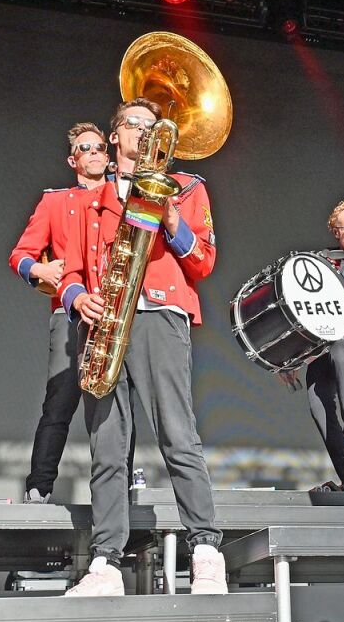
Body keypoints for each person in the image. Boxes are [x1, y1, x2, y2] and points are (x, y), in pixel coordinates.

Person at [58, 97, 227, 596]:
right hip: (108, 321)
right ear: (115, 137)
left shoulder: (188, 188)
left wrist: (172, 219)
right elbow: (69, 272)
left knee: (178, 432)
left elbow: (205, 262)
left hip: (158, 313)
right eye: (136, 124)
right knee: (108, 447)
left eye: (152, 126)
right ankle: (106, 561)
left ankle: (205, 547)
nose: (146, 131)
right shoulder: (86, 201)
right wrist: (78, 297)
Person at [9, 123, 110, 503]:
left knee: (118, 407)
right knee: (60, 400)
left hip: (115, 312)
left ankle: (116, 494)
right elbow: (19, 255)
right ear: (73, 160)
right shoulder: (55, 201)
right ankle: (39, 488)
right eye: (86, 148)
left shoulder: (123, 195)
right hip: (70, 313)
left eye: (101, 146)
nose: (96, 152)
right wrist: (40, 270)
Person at [283, 199, 344, 491]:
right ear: (337, 231)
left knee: (340, 349)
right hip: (324, 344)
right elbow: (300, 312)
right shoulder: (319, 263)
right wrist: (290, 358)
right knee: (316, 398)